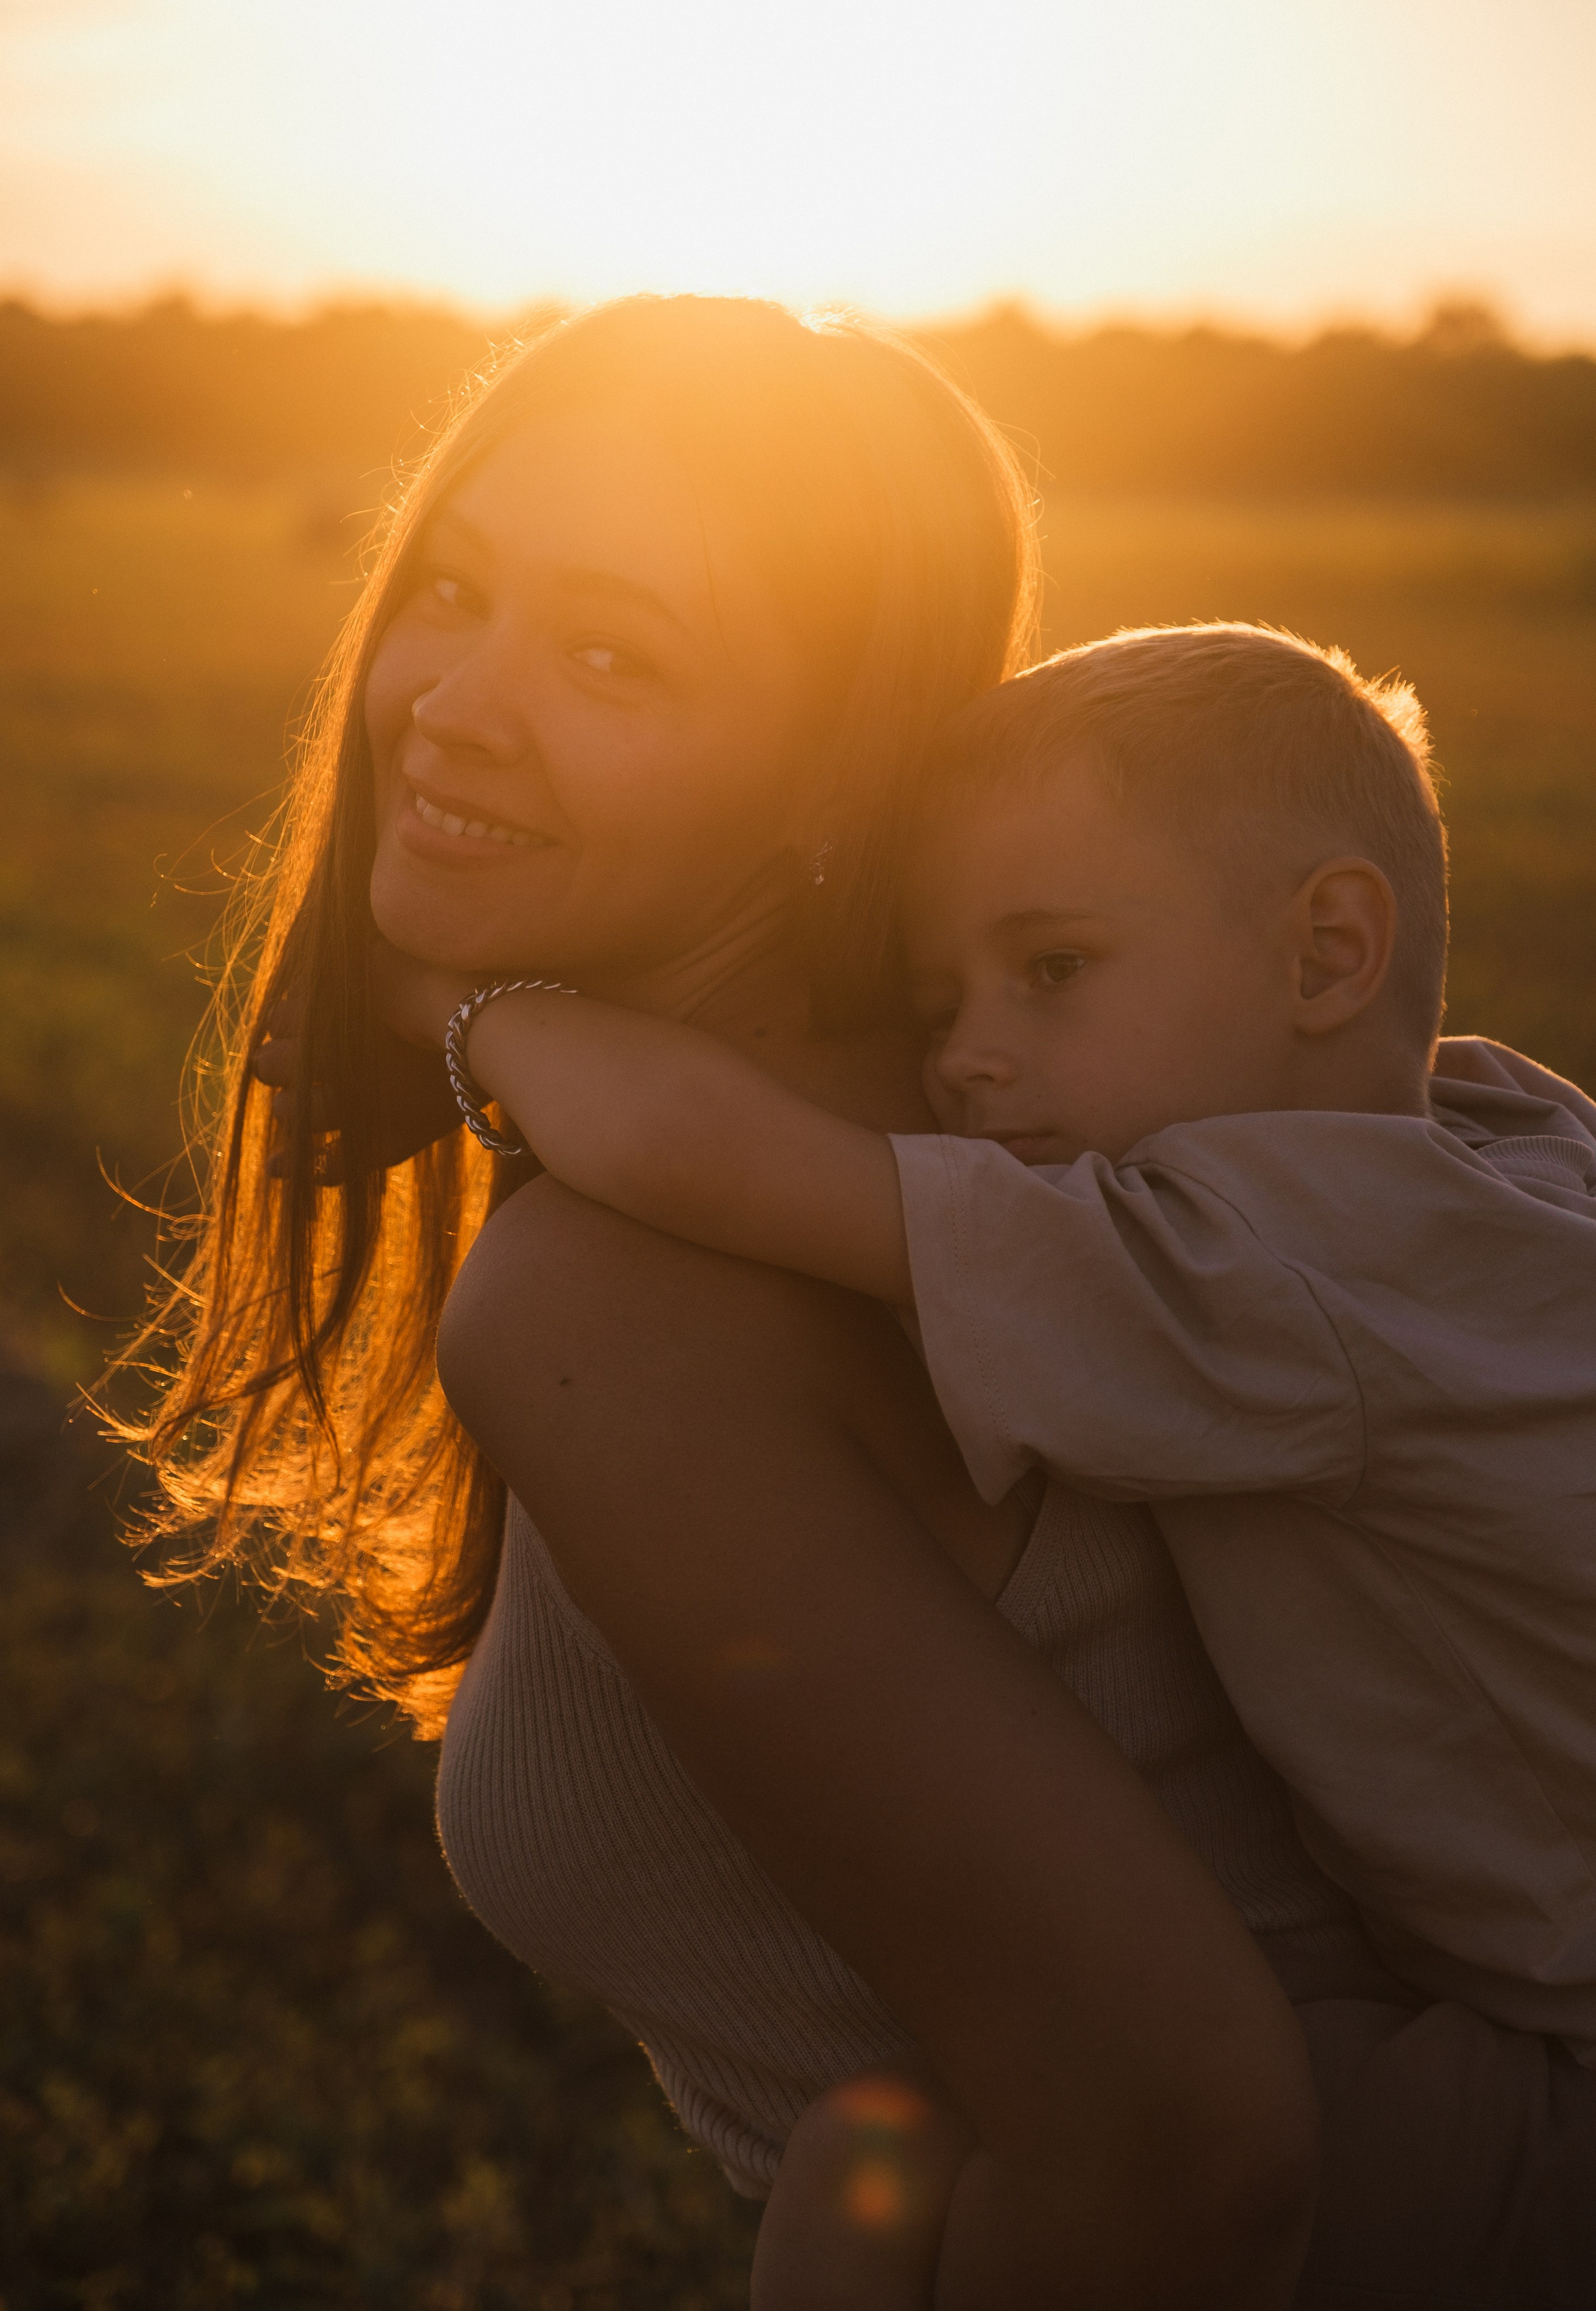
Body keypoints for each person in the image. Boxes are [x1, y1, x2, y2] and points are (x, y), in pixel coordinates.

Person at [129, 295, 1585, 2306]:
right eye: (454, 585)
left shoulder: (644, 1288)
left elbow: (1182, 2150)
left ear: (836, 780)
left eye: (615, 652)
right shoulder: (1074, 1110)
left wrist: (458, 1018)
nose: (454, 698)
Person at [375, 620, 1596, 2302]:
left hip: (1562, 2085)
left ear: (1329, 955)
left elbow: (685, 1148)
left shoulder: (1227, 1266)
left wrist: (452, 1001)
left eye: (1057, 970)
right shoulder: (1510, 1130)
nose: (968, 1064)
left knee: (909, 2172)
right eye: (939, 1000)